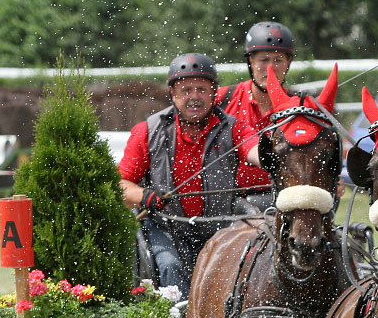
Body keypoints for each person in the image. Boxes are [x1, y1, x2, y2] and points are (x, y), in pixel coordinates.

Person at [119, 52, 261, 299]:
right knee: (170, 266)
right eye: (186, 90)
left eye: (201, 89)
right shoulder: (147, 131)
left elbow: (254, 150)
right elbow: (120, 186)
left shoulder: (234, 126)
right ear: (173, 94)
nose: (194, 96)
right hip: (165, 227)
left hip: (221, 227)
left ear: (214, 93)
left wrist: (272, 155)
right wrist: (145, 196)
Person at [214, 22, 295, 205]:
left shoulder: (299, 107)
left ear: (288, 63)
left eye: (278, 60)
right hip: (228, 202)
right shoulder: (221, 100)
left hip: (283, 200)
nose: (271, 68)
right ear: (251, 61)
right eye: (263, 60)